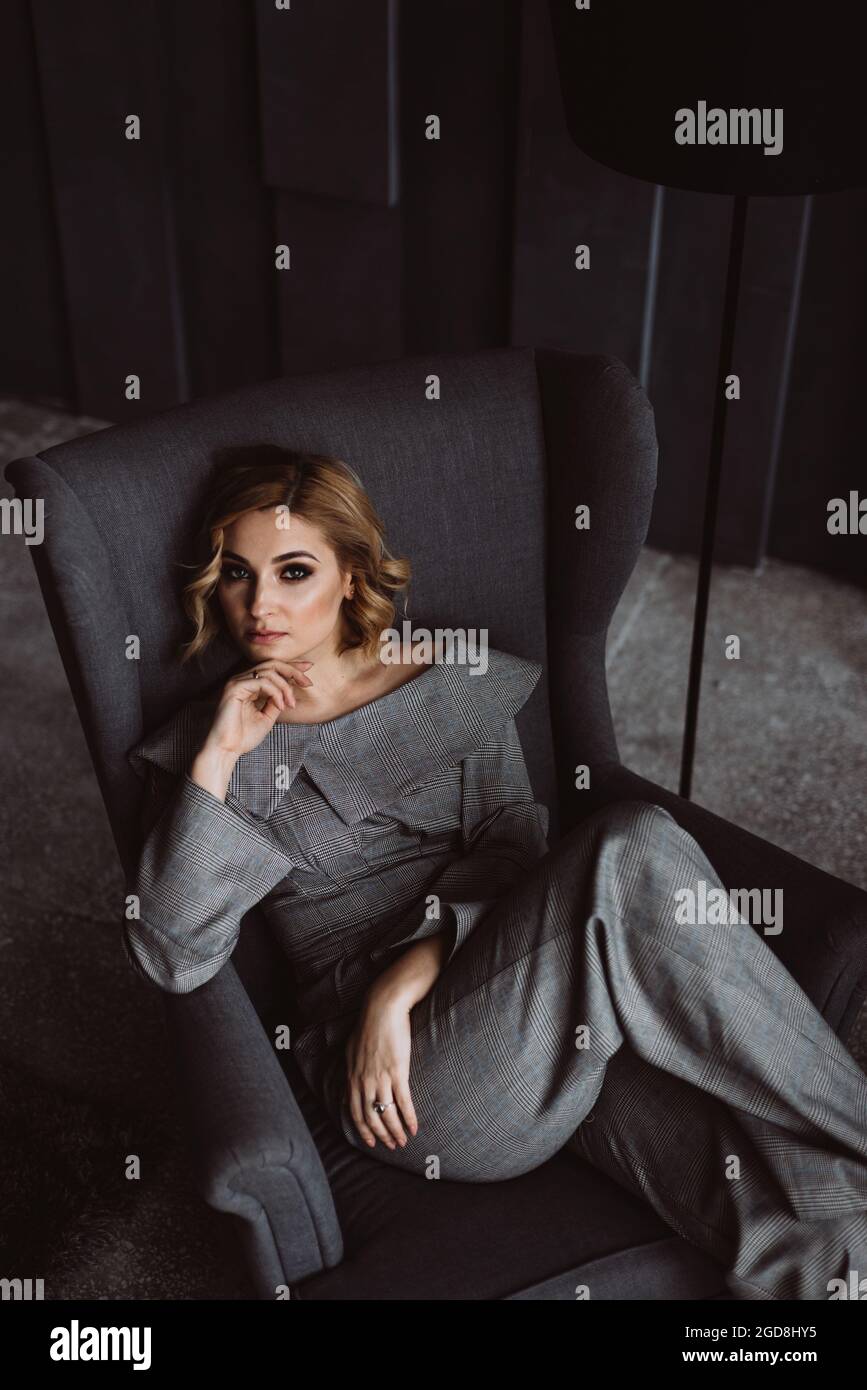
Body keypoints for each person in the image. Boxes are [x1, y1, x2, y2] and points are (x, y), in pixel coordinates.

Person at [125, 446, 867, 1301]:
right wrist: (220, 755)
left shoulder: (450, 680)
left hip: (524, 1013)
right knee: (632, 850)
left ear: (352, 576)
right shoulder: (213, 740)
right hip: (415, 1089)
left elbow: (513, 853)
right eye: (237, 575)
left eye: (294, 571)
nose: (261, 604)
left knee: (809, 1216)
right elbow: (171, 953)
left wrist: (403, 981)